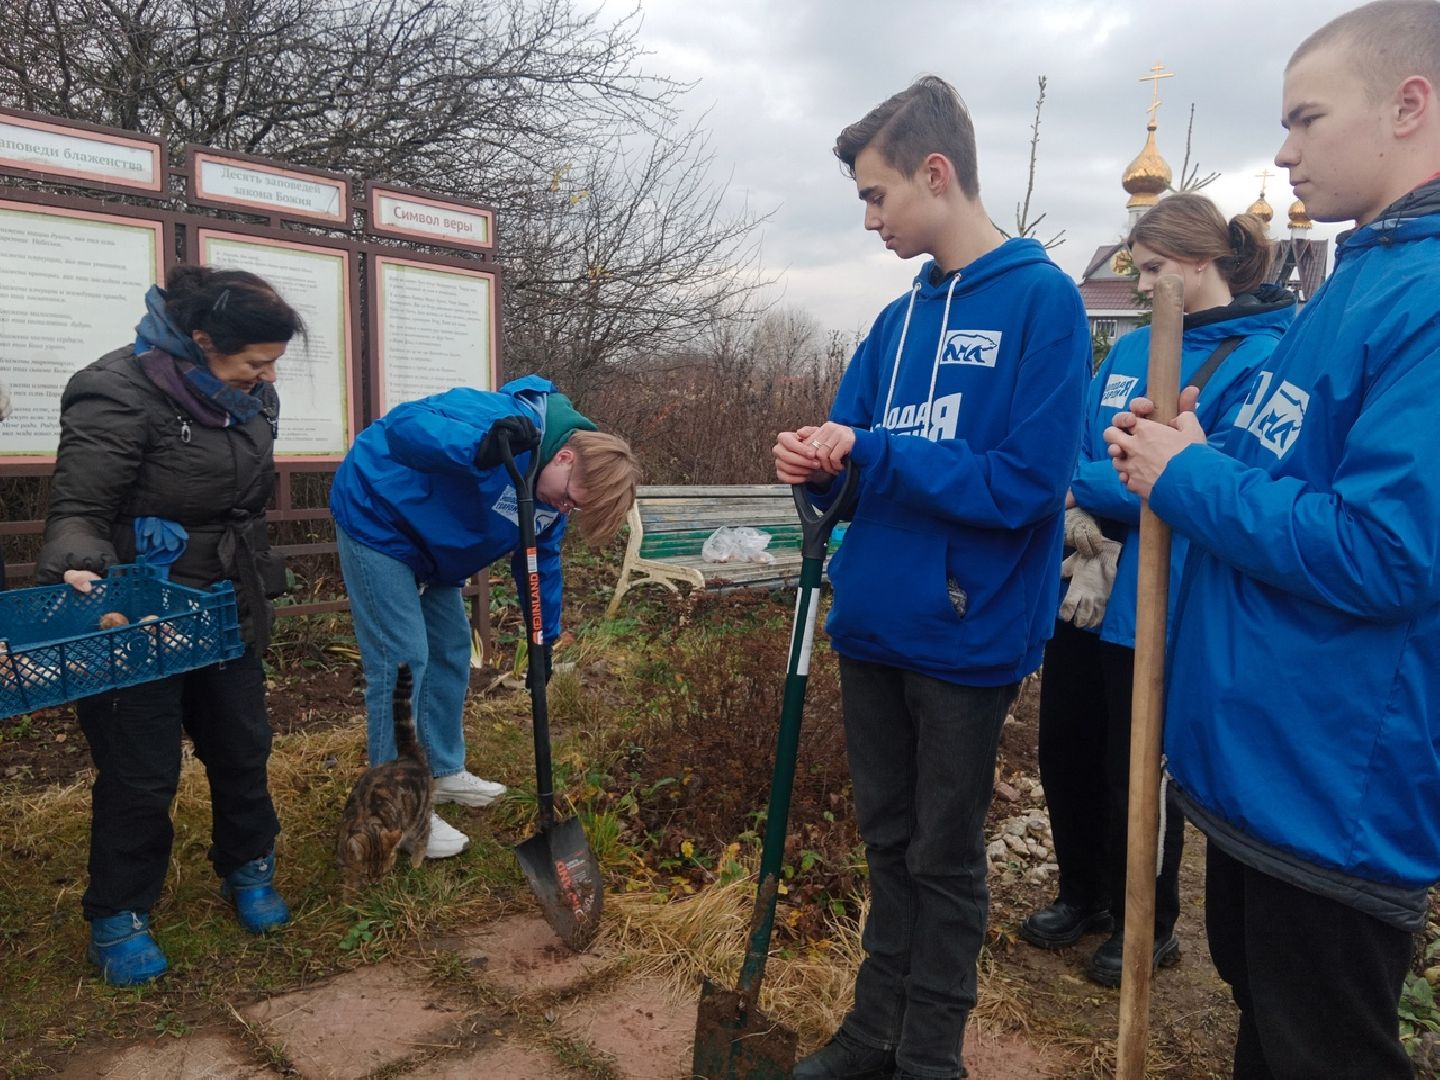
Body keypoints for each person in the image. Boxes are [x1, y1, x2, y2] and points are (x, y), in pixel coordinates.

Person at [1104, 3, 1440, 1075]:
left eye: (1306, 118)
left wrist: (1190, 477)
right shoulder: (1359, 279)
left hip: (1333, 783)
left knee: (1320, 1052)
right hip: (1262, 761)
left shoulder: (1429, 297)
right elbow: (1289, 475)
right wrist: (1200, 450)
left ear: (1409, 105)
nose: (1285, 151)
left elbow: (1390, 551)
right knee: (1271, 1031)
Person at [772, 76, 1089, 1080]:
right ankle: (875, 1032)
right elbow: (856, 463)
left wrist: (874, 452)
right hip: (873, 621)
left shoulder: (1043, 303)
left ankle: (930, 1054)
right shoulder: (895, 322)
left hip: (966, 632)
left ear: (936, 174)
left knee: (942, 856)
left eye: (877, 195)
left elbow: (1027, 484)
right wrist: (817, 467)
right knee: (887, 840)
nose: (870, 219)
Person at [1020, 194, 1295, 987]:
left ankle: (1148, 918)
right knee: (1066, 748)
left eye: (1153, 269)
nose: (1141, 287)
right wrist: (1110, 481)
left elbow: (1201, 479)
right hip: (1088, 588)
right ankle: (1081, 894)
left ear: (1202, 260)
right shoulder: (1133, 346)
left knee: (1135, 769)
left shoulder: (1257, 357)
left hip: (1159, 601)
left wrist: (1103, 485)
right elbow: (1081, 450)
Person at [36, 265, 304, 986]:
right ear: (202, 339)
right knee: (141, 768)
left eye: (273, 363)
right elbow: (79, 509)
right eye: (255, 362)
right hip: (137, 608)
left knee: (242, 745)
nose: (267, 377)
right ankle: (118, 913)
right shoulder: (114, 389)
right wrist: (83, 565)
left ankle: (248, 865)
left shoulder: (252, 395)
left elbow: (242, 502)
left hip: (223, 599)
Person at [329, 377, 637, 859]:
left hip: (436, 550)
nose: (565, 508)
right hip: (380, 516)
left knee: (453, 651)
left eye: (574, 508)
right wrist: (478, 448)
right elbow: (404, 428)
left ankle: (443, 770)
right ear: (564, 458)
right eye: (570, 498)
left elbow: (539, 561)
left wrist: (542, 641)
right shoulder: (500, 419)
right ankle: (395, 811)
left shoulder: (550, 500)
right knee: (402, 659)